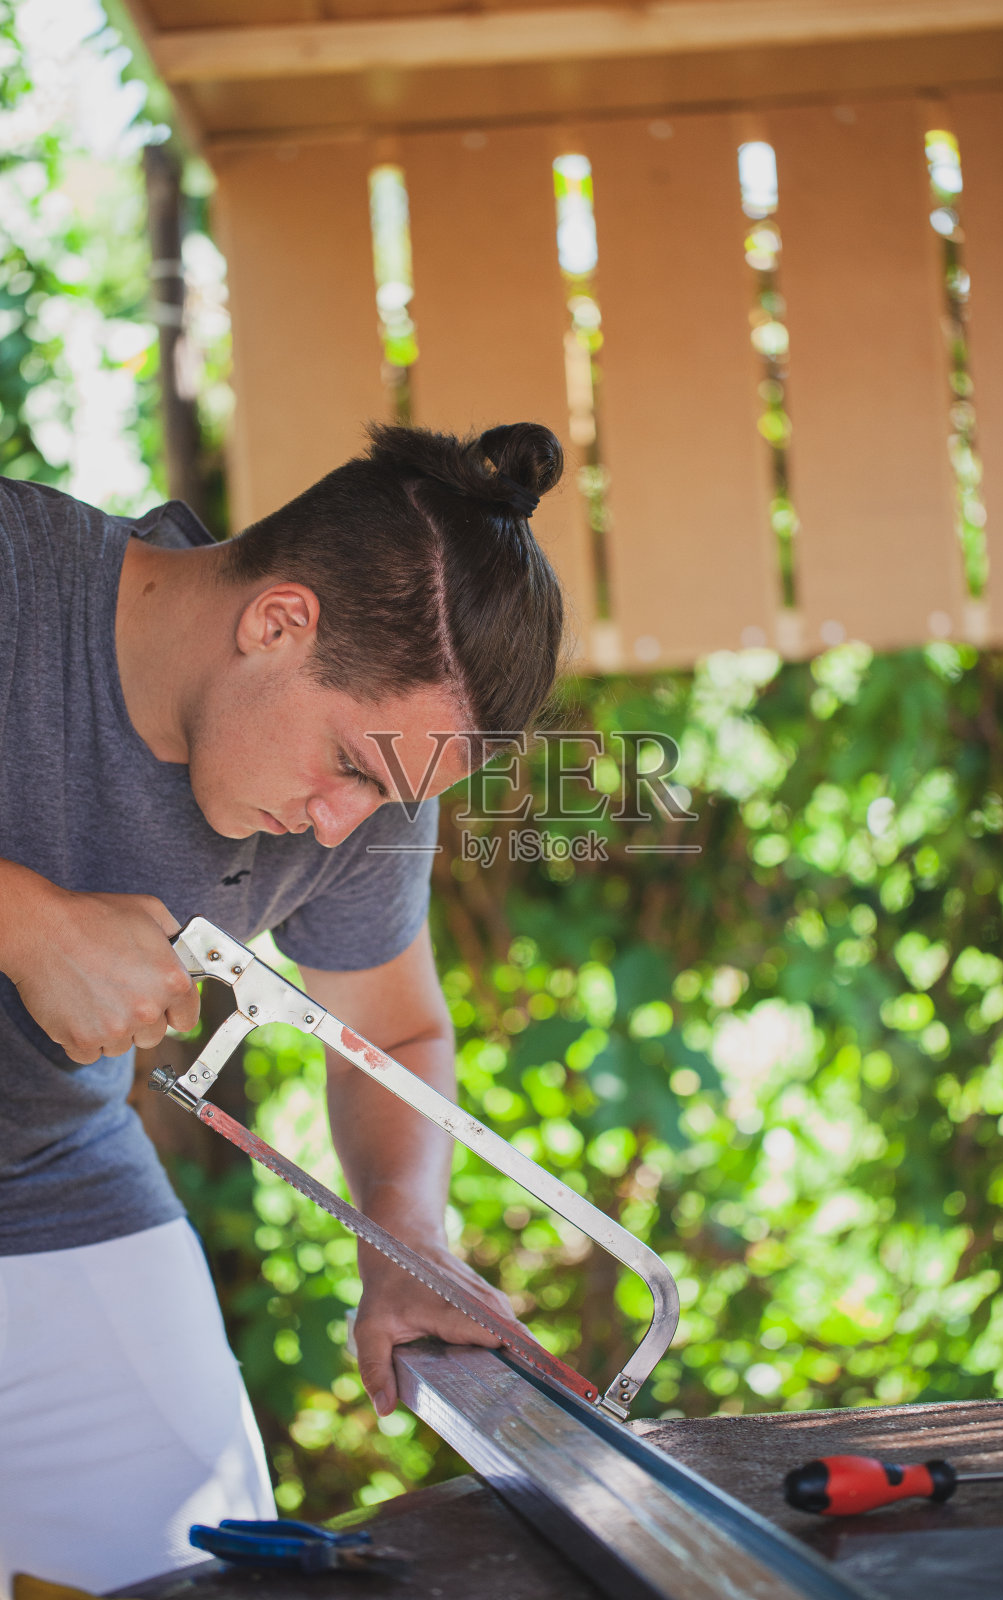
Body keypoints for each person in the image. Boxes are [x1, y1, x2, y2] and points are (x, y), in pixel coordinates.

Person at [0, 420, 565, 1594]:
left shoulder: (370, 805)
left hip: (42, 1170)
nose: (339, 823)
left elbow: (395, 1031)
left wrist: (403, 1228)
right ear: (278, 623)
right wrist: (27, 920)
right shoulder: (15, 576)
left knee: (208, 1563)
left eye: (391, 793)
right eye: (352, 766)